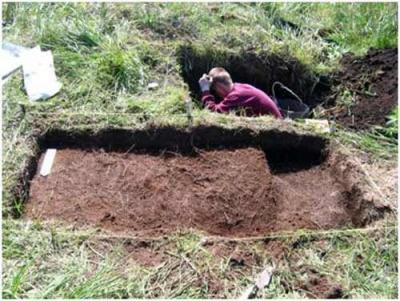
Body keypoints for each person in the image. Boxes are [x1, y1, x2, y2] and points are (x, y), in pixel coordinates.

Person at [198, 67, 283, 118]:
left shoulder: (237, 96)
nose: (216, 94)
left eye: (215, 90)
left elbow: (213, 114)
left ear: (220, 86)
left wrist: (205, 90)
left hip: (276, 133)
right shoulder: (241, 87)